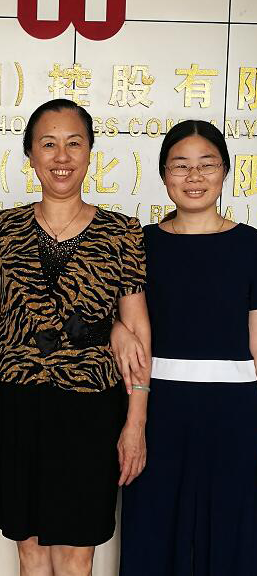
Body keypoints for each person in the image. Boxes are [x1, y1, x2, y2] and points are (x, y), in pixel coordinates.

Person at [0, 99, 151, 576]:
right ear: (30, 154)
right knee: (28, 550)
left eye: (73, 143)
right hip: (15, 402)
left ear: (89, 153)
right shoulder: (2, 228)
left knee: (76, 554)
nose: (61, 156)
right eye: (48, 144)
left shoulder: (122, 232)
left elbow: (138, 329)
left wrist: (136, 422)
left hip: (90, 409)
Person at [114, 120, 257, 576]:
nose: (194, 177)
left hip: (235, 413)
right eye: (180, 166)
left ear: (225, 171)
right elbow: (112, 313)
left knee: (232, 535)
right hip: (155, 409)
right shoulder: (139, 244)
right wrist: (115, 329)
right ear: (163, 175)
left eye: (206, 165)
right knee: (152, 532)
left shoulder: (251, 245)